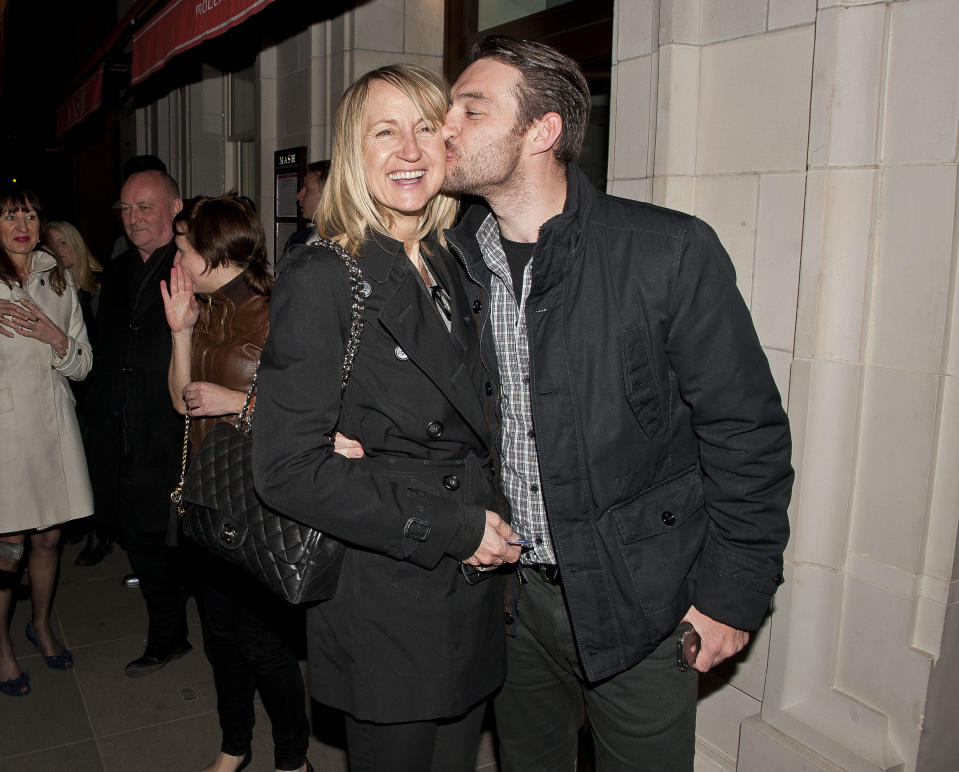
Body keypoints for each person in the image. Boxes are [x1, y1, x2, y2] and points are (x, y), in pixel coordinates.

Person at [439, 37, 794, 771]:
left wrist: (733, 594)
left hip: (640, 595)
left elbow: (743, 433)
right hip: (508, 600)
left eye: (470, 109)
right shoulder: (450, 260)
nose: (444, 127)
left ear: (541, 132)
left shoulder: (664, 251)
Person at [252, 64, 521, 772]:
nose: (408, 149)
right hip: (388, 590)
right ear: (352, 154)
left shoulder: (456, 256)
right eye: (384, 131)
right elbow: (284, 469)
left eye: (425, 128)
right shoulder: (324, 276)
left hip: (470, 587)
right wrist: (457, 527)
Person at [160, 194, 311, 772]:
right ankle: (234, 746)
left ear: (211, 252)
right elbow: (180, 403)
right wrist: (180, 333)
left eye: (182, 248)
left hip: (259, 505)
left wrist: (239, 403)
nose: (177, 260)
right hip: (207, 497)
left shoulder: (279, 311)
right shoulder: (208, 310)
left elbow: (316, 416)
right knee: (220, 637)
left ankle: (294, 760)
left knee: (263, 645)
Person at [85, 169, 193, 677]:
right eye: (126, 210)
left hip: (175, 436)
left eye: (145, 207)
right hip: (124, 434)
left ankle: (175, 633)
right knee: (142, 541)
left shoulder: (192, 265)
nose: (134, 219)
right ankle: (169, 636)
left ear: (175, 207)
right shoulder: (121, 268)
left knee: (175, 545)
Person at [0, 186, 93, 696]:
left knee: (49, 537)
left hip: (54, 426)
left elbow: (83, 365)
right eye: (11, 215)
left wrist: (57, 339)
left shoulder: (57, 280)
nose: (23, 225)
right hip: (6, 434)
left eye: (31, 214)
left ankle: (40, 622)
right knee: (8, 546)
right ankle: (1, 646)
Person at [45, 220, 113, 566]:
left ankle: (99, 533)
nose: (58, 251)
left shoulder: (100, 287)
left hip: (97, 387)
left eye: (63, 243)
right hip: (72, 387)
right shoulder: (50, 290)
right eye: (51, 245)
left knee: (95, 463)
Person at [283, 160, 331, 254]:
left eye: (307, 189)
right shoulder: (297, 240)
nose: (299, 196)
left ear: (327, 195)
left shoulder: (348, 246)